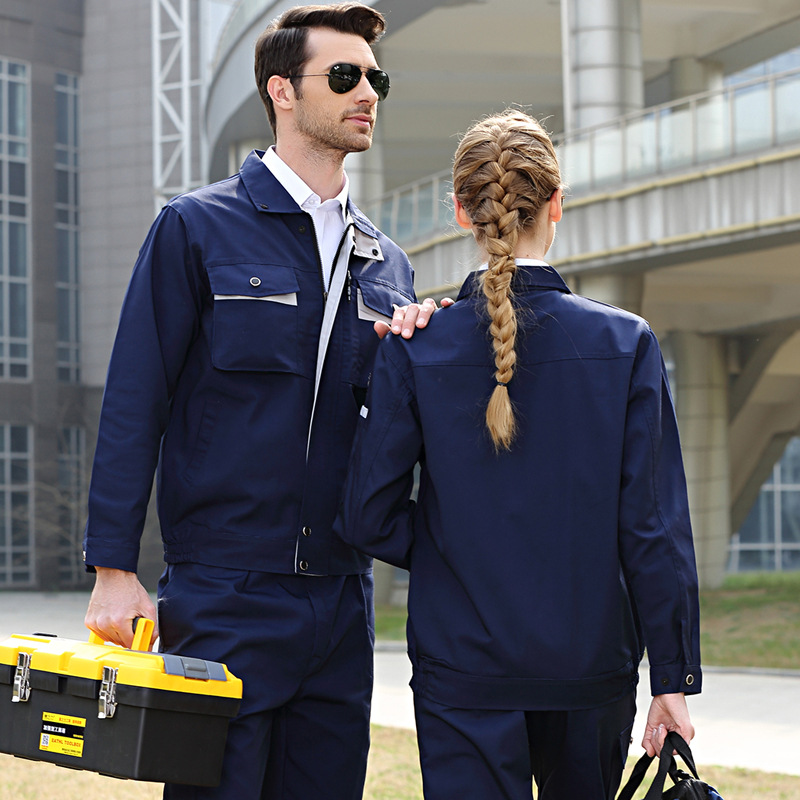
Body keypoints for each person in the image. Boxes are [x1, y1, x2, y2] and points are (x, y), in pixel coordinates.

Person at [82, 4, 441, 798]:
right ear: (282, 91)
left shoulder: (387, 263)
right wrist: (113, 566)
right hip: (224, 593)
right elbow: (135, 400)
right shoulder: (196, 228)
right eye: (344, 76)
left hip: (341, 601)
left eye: (375, 79)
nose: (367, 94)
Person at [337, 109, 702, 800]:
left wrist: (453, 547)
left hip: (461, 667)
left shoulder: (415, 347)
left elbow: (365, 516)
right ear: (556, 203)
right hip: (590, 667)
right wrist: (673, 680)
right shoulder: (627, 344)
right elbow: (652, 529)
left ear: (460, 210)